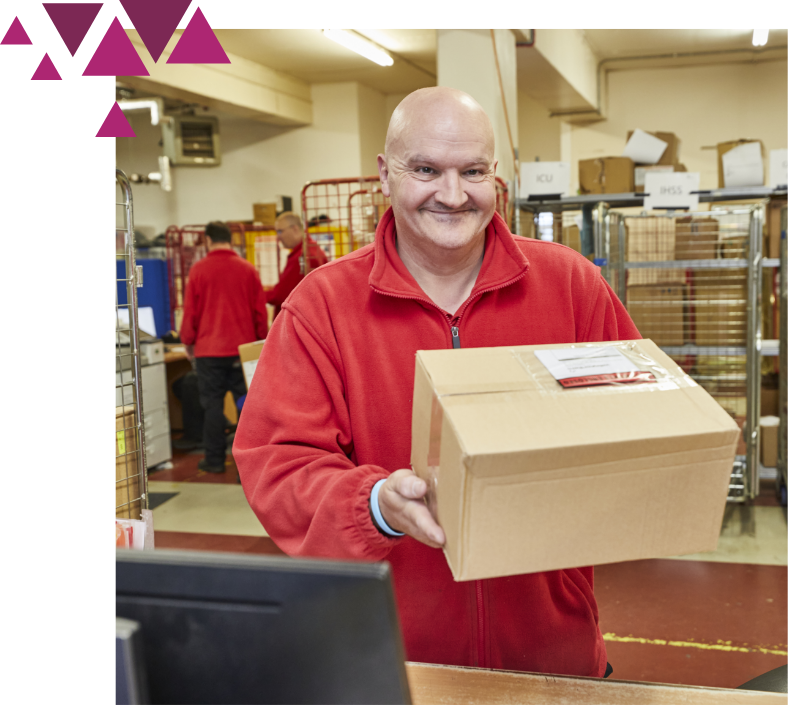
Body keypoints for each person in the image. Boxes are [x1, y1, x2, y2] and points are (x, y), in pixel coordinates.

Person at [234, 88, 640, 675]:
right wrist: (374, 504)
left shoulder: (571, 286)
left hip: (555, 658)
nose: (453, 195)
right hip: (396, 664)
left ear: (495, 174)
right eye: (426, 170)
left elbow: (638, 412)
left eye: (472, 171)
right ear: (385, 174)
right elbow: (277, 464)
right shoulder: (322, 307)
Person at [180, 221, 268, 473]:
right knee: (249, 408)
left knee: (212, 407)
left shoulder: (198, 270)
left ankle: (215, 461)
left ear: (208, 240)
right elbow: (259, 313)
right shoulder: (248, 269)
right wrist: (259, 343)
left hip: (209, 352)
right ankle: (248, 469)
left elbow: (190, 314)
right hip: (242, 352)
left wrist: (188, 341)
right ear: (230, 240)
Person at [264, 212, 328, 319]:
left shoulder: (303, 256)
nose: (278, 237)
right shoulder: (312, 250)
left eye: (280, 231)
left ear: (294, 229)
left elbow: (282, 295)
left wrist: (259, 294)